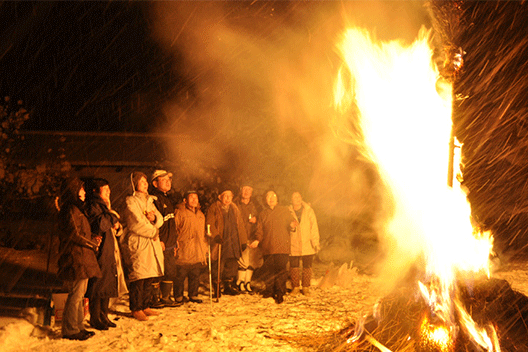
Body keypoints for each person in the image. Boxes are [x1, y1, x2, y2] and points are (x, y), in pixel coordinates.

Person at [57, 177, 101, 340]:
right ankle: (70, 330)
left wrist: (92, 239)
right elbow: (74, 234)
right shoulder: (70, 209)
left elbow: (80, 232)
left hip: (81, 255)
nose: (84, 192)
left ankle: (78, 326)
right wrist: (91, 243)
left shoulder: (75, 208)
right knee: (76, 294)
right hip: (75, 256)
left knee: (79, 294)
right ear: (73, 191)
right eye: (81, 189)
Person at [84, 178, 128, 330]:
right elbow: (99, 225)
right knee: (98, 284)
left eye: (109, 189)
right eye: (105, 189)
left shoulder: (103, 206)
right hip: (100, 249)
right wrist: (112, 215)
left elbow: (109, 224)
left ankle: (104, 315)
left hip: (109, 248)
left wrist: (115, 225)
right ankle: (95, 317)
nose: (109, 192)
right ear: (96, 191)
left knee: (107, 281)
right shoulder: (93, 205)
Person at [121, 172, 164, 321]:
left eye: (146, 181)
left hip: (151, 243)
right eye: (141, 181)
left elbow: (160, 219)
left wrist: (154, 218)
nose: (145, 184)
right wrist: (153, 231)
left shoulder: (150, 201)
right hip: (139, 242)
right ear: (134, 184)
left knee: (149, 277)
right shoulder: (131, 202)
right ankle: (136, 308)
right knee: (138, 277)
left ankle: (145, 305)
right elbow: (136, 223)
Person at [206, 186, 249, 298]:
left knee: (232, 264)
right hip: (221, 240)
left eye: (230, 196)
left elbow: (240, 226)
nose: (228, 198)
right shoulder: (214, 207)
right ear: (220, 197)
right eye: (225, 196)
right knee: (219, 264)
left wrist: (243, 241)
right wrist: (215, 236)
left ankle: (228, 285)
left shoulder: (234, 208)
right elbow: (209, 223)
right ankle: (217, 287)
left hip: (233, 240)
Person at [255, 191, 297, 304]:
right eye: (268, 196)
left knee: (281, 271)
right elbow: (260, 230)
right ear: (265, 200)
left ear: (277, 199)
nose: (271, 198)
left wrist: (292, 225)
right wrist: (257, 240)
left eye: (273, 196)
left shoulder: (284, 210)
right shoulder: (263, 214)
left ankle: (279, 292)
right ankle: (269, 290)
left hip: (282, 247)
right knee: (269, 271)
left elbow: (291, 222)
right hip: (268, 247)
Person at [150, 170, 180, 308]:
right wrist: (159, 238)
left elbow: (170, 223)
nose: (168, 182)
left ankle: (166, 297)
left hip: (169, 243)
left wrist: (175, 240)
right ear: (155, 183)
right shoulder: (154, 199)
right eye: (163, 180)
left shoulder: (167, 199)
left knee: (170, 270)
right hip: (160, 243)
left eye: (169, 179)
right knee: (156, 271)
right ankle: (154, 298)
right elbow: (152, 222)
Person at [173, 190, 208, 304]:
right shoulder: (180, 212)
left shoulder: (200, 215)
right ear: (185, 200)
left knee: (195, 275)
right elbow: (175, 229)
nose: (194, 200)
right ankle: (178, 295)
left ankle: (193, 294)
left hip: (197, 249)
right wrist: (175, 243)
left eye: (196, 198)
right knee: (181, 275)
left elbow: (203, 232)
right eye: (191, 197)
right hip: (184, 248)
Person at [288, 191, 320, 296]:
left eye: (298, 196)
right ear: (291, 200)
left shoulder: (309, 211)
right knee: (294, 266)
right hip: (293, 242)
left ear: (301, 198)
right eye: (294, 197)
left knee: (307, 266)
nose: (297, 199)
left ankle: (306, 287)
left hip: (307, 242)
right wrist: (290, 227)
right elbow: (285, 226)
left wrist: (315, 242)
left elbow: (314, 227)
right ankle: (296, 287)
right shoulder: (288, 211)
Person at [234, 183, 262, 294]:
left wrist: (256, 219)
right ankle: (240, 281)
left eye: (249, 190)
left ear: (252, 192)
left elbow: (261, 218)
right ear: (241, 191)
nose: (246, 192)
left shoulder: (256, 205)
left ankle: (247, 282)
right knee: (242, 260)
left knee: (252, 261)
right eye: (244, 189)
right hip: (241, 236)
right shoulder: (236, 204)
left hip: (252, 235)